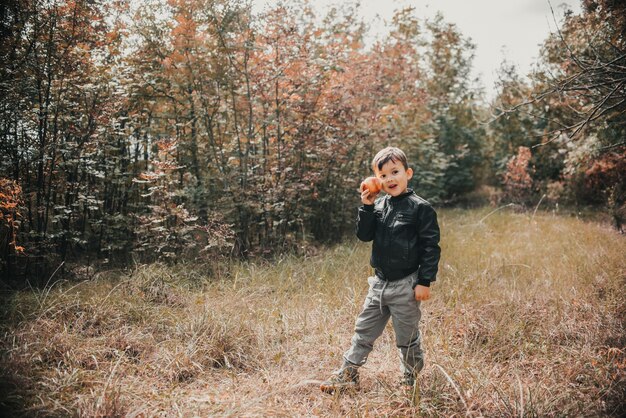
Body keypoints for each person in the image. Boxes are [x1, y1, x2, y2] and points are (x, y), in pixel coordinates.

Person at [320, 146, 441, 393]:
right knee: (363, 330)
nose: (389, 179)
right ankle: (347, 374)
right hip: (379, 284)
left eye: (395, 172)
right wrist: (366, 206)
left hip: (406, 285)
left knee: (406, 337)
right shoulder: (378, 205)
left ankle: (411, 378)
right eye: (383, 175)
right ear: (377, 179)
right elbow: (364, 236)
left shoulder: (421, 208)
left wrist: (424, 281)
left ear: (408, 173)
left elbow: (431, 246)